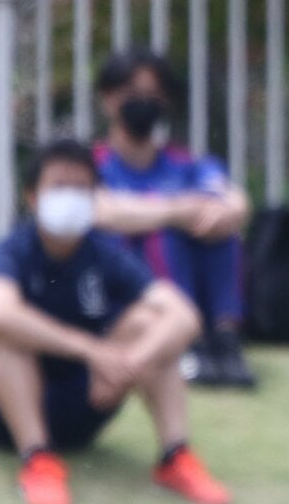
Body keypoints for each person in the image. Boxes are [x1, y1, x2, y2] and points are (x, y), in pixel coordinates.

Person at [0, 139, 231, 504]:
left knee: (153, 324)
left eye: (81, 188)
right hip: (4, 415)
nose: (70, 197)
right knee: (3, 331)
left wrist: (127, 363)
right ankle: (36, 459)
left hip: (88, 401)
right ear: (32, 198)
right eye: (59, 188)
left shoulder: (107, 255)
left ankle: (175, 456)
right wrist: (91, 350)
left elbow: (184, 315)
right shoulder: (10, 251)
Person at [92, 48, 256, 389]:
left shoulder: (186, 162)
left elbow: (234, 202)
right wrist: (175, 210)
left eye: (154, 95)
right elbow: (103, 211)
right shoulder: (91, 164)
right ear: (107, 99)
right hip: (125, 290)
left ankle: (224, 341)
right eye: (132, 94)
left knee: (219, 232)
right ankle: (185, 345)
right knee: (163, 232)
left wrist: (224, 211)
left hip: (189, 275)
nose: (144, 103)